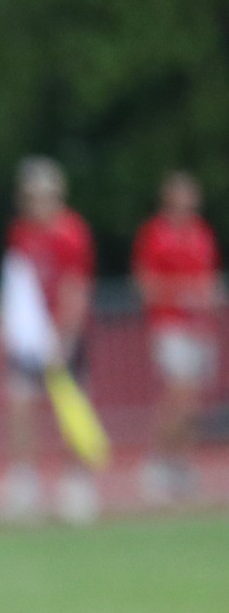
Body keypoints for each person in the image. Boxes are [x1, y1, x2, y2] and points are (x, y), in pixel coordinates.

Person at [0, 157, 98, 523]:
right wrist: (7, 327)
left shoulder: (72, 232)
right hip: (30, 336)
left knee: (71, 407)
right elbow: (17, 284)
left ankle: (77, 485)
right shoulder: (21, 233)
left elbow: (76, 285)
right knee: (19, 404)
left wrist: (65, 335)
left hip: (62, 332)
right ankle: (25, 484)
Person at [131, 170, 220, 503]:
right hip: (170, 324)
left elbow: (206, 278)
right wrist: (182, 293)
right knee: (178, 396)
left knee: (192, 403)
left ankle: (181, 462)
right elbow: (145, 284)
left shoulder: (201, 233)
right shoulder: (154, 234)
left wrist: (207, 297)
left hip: (199, 327)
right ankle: (157, 461)